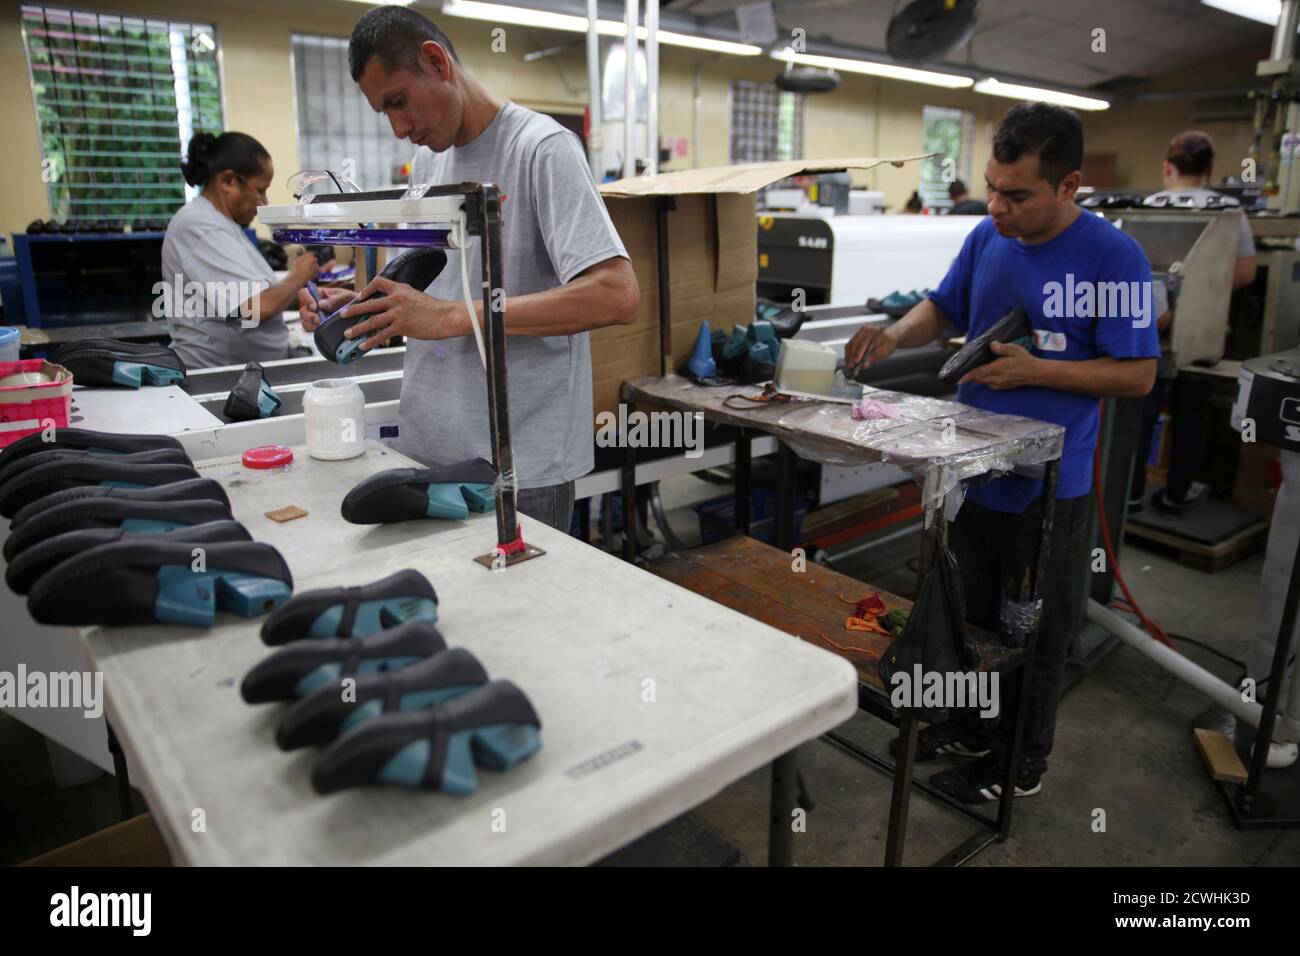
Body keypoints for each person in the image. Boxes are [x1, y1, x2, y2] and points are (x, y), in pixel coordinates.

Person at [846, 103, 1159, 803]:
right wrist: (894, 335)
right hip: (972, 470)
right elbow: (944, 306)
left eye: (1016, 195)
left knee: (1030, 629)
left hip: (1045, 488)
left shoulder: (1114, 259)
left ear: (1069, 184)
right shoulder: (988, 236)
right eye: (991, 187)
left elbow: (1138, 374)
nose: (996, 206)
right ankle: (966, 724)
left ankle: (1017, 761)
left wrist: (1037, 372)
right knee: (966, 613)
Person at [298, 6, 639, 533]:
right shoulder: (429, 162)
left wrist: (454, 316)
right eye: (384, 113)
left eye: (398, 102)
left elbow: (616, 294)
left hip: (518, 465)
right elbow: (433, 286)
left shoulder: (541, 149)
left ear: (436, 63)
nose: (398, 128)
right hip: (428, 451)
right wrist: (366, 305)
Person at [1130, 130, 1258, 516]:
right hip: (1203, 330)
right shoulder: (1230, 209)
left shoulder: (1150, 206)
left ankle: (1130, 493)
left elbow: (1131, 267)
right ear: (1209, 168)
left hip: (1152, 326)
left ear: (1168, 167)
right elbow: (1246, 273)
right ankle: (1176, 494)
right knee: (1190, 413)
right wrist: (1203, 291)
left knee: (1142, 411)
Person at [161, 131, 329, 369]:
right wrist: (298, 276)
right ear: (228, 181)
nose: (263, 201)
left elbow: (253, 293)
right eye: (260, 190)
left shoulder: (224, 225)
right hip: (220, 375)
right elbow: (256, 308)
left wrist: (296, 297)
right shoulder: (200, 226)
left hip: (243, 370)